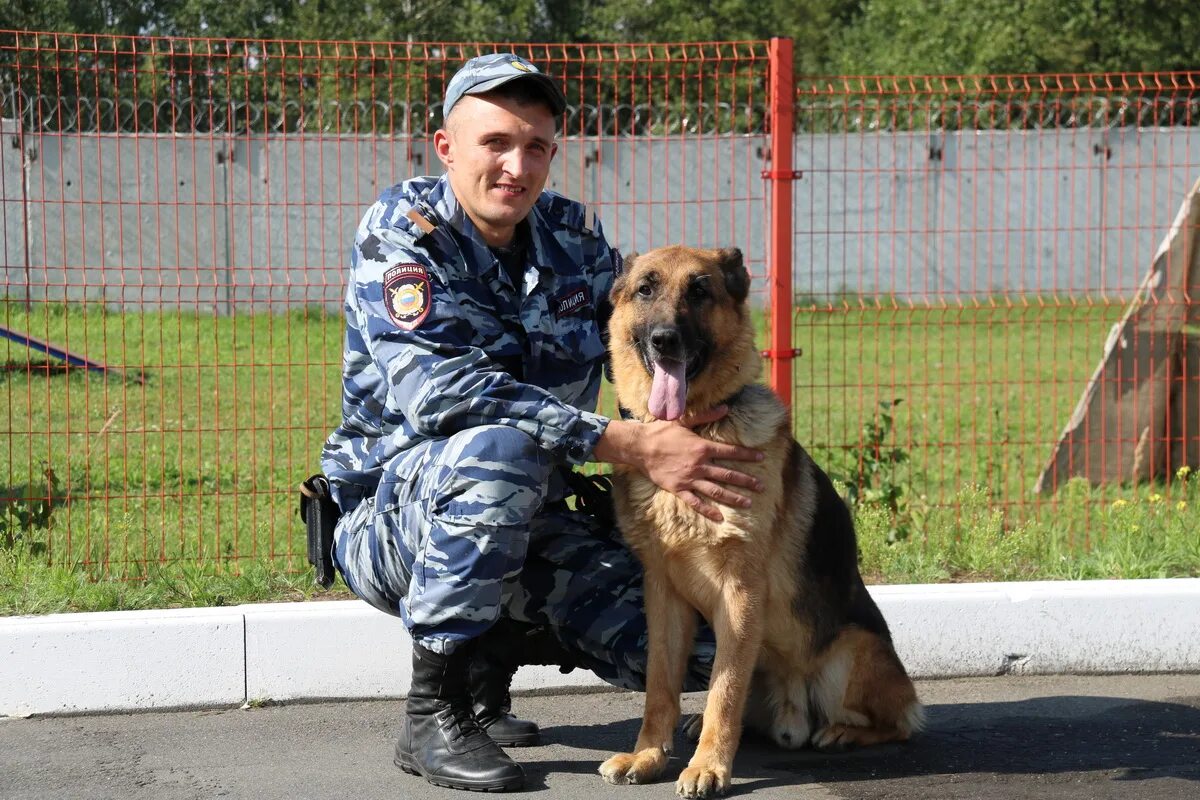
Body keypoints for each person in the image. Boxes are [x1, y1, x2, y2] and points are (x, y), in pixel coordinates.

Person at [320, 53, 764, 793]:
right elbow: (442, 393)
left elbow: (641, 335)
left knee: (696, 643)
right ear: (447, 147)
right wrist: (623, 441)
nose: (515, 166)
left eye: (535, 147)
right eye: (495, 142)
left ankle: (491, 656)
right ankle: (435, 707)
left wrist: (717, 408)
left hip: (532, 519)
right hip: (396, 518)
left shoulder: (571, 235)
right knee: (501, 454)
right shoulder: (404, 233)